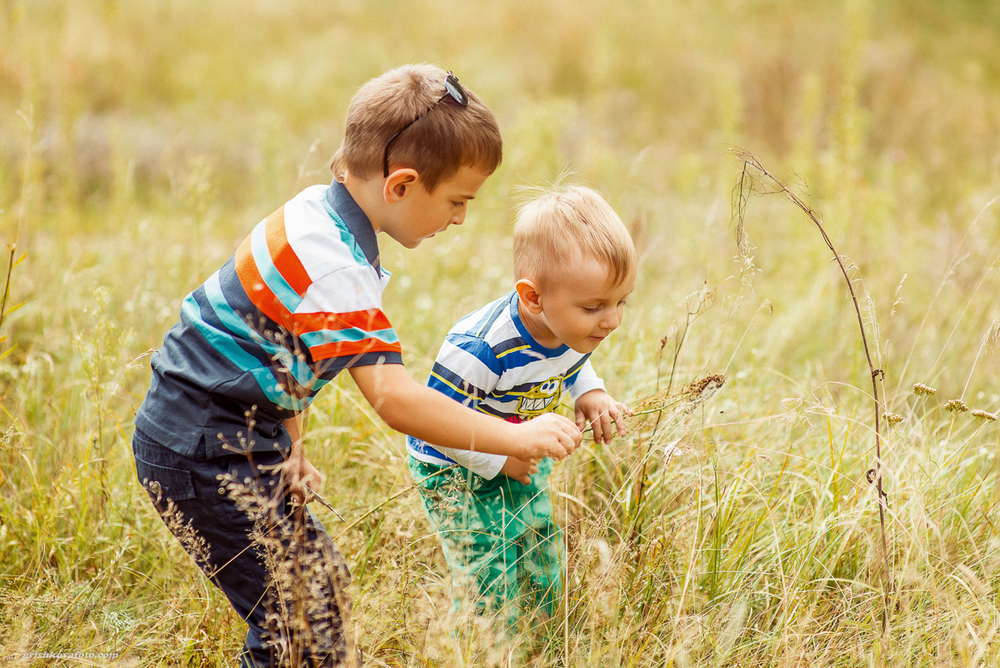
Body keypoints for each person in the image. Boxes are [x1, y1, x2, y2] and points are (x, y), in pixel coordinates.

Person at [130, 64, 582, 668]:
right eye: (456, 200)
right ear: (400, 185)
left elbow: (272, 348)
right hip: (204, 447)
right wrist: (511, 437)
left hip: (209, 432)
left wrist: (289, 442)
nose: (459, 218)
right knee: (304, 618)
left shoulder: (316, 211)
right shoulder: (338, 266)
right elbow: (395, 400)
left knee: (313, 597)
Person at [406, 184, 636, 631]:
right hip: (455, 469)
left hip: (522, 454)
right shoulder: (482, 348)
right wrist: (500, 457)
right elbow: (436, 424)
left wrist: (591, 392)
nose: (611, 320)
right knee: (487, 574)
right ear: (533, 297)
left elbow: (572, 363)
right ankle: (483, 646)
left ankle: (542, 634)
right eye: (594, 307)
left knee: (537, 548)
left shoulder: (571, 327)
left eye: (621, 302)